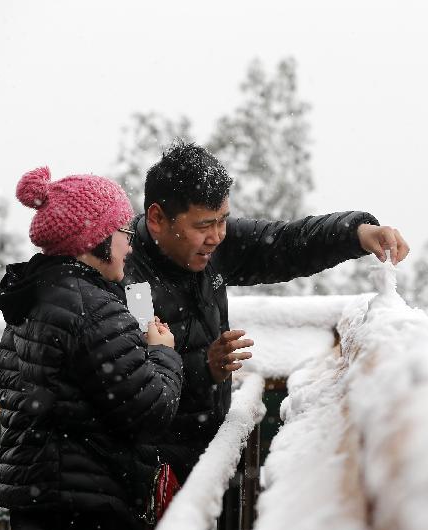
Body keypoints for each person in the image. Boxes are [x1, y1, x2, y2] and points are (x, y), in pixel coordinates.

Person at [122, 141, 409, 481]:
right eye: (203, 226)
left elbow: (287, 244)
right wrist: (205, 368)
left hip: (205, 455)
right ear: (157, 219)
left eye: (223, 221)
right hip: (149, 471)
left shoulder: (212, 247)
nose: (216, 237)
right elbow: (133, 388)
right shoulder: (128, 280)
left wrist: (358, 233)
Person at [0, 166, 183, 530]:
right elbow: (152, 412)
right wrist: (162, 352)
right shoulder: (93, 308)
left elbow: (24, 393)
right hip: (88, 512)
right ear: (94, 238)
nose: (130, 243)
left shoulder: (33, 301)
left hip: (38, 507)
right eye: (122, 231)